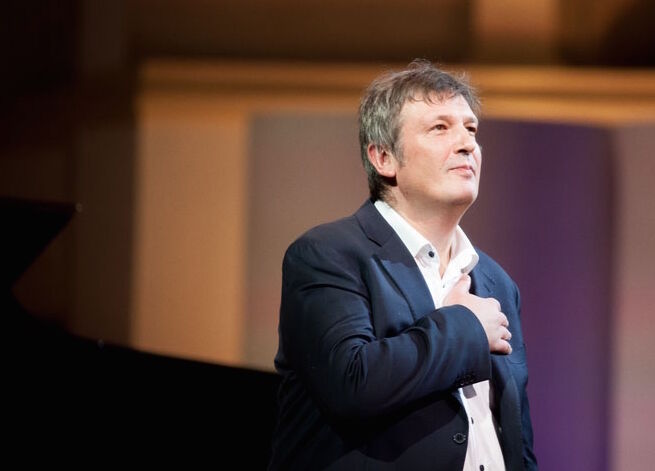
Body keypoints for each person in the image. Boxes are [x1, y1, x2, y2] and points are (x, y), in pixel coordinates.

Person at [268, 59, 537, 471]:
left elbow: (516, 439)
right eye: (440, 128)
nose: (467, 144)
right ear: (384, 158)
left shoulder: (497, 282)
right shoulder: (328, 255)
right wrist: (464, 327)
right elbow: (353, 383)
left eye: (471, 129)